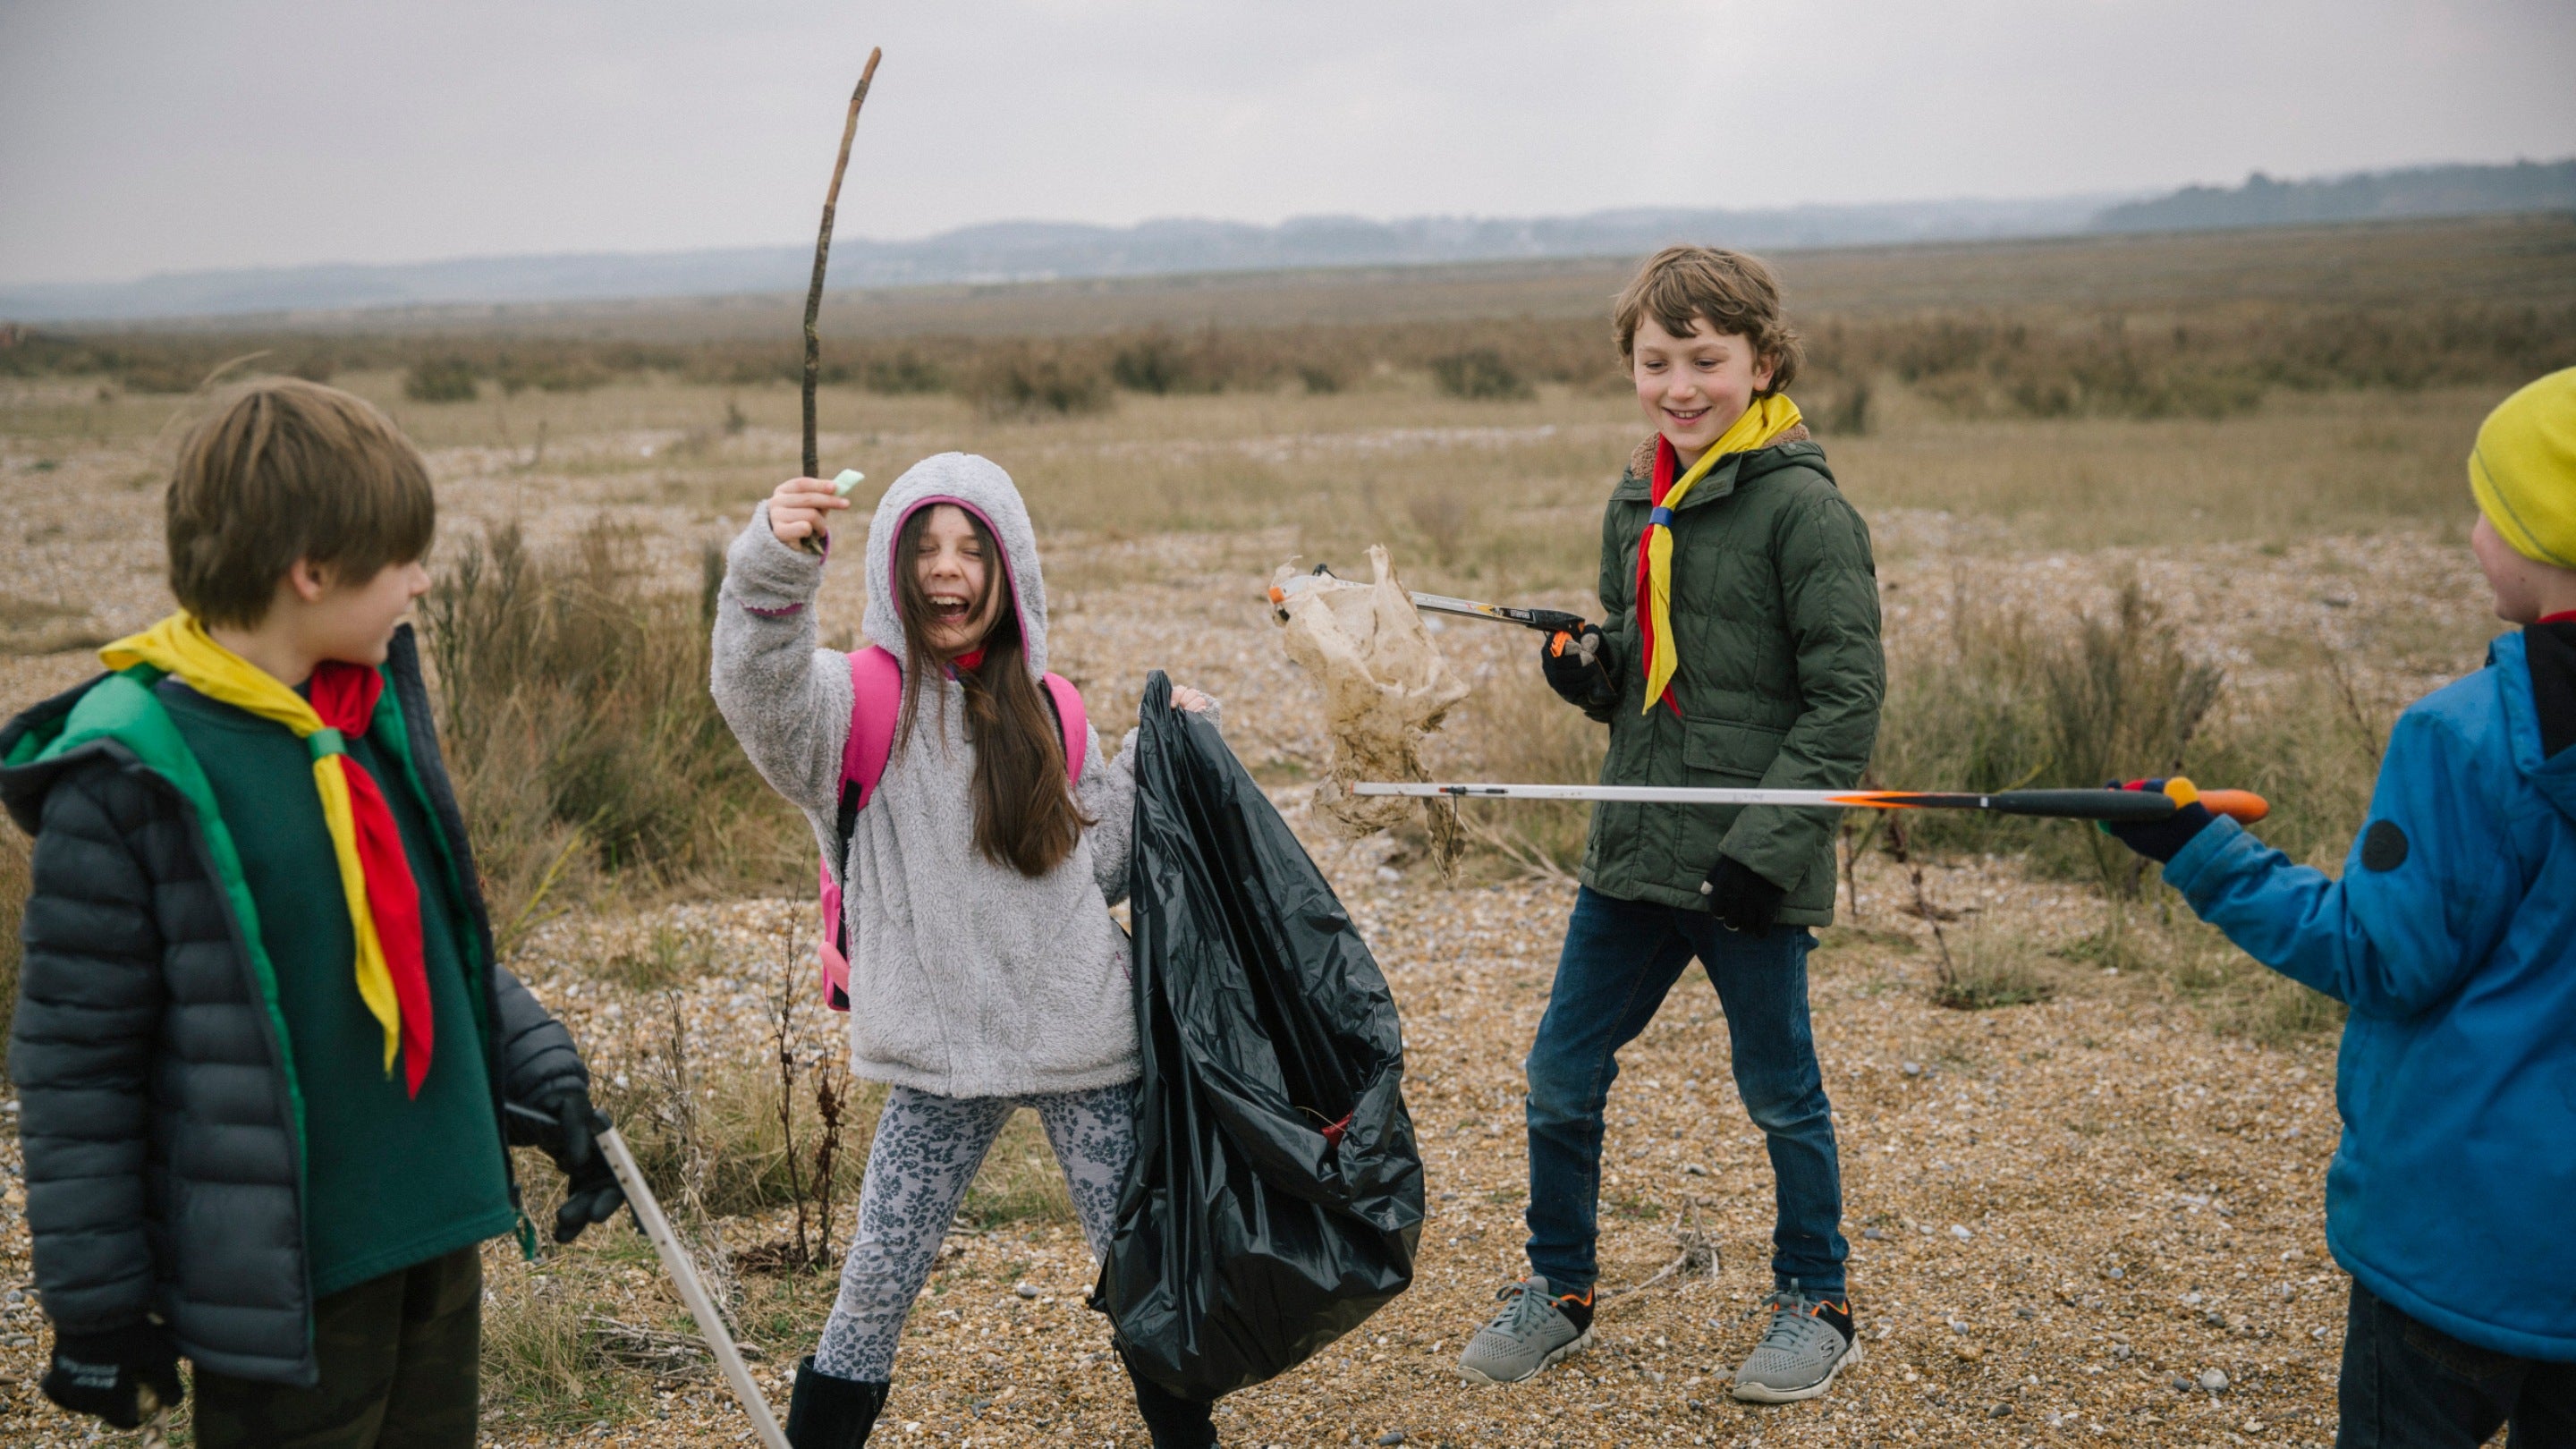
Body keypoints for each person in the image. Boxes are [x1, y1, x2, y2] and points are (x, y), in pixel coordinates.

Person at [1, 378, 620, 1448]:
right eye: (403, 560)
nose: (423, 581)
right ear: (312, 570)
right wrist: (97, 1304)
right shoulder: (132, 767)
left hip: (433, 1226)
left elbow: (433, 932)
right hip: (290, 1274)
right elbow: (78, 1064)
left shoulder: (361, 705)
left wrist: (543, 1080)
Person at [710, 453, 1224, 1449]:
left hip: (1080, 1038)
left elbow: (1099, 869)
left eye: (973, 549)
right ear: (892, 570)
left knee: (1143, 1276)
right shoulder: (851, 707)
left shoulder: (1053, 707)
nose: (949, 569)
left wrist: (1168, 753)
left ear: (1011, 570)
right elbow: (758, 692)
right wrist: (775, 564)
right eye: (926, 548)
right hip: (941, 1051)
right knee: (876, 1281)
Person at [2103, 368, 2576, 1448]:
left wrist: (2200, 849)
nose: (2471, 533)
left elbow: (2378, 957)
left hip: (2453, 1244)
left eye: (2490, 508)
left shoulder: (2459, 738)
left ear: (2543, 543)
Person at [1455, 246, 1883, 1402]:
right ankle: (1562, 1288)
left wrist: (1765, 850)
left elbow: (1846, 705)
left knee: (1781, 1090)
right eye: (1657, 361)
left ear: (1762, 362)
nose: (1680, 384)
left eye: (1706, 360)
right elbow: (1645, 674)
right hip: (1635, 846)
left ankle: (1818, 1302)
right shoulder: (1636, 495)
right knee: (1560, 1075)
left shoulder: (1806, 511)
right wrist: (1588, 672)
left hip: (1746, 865)